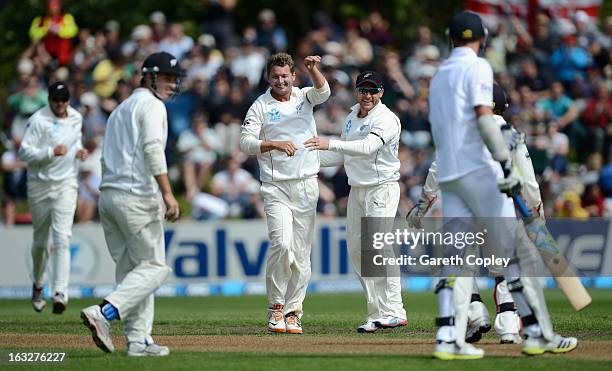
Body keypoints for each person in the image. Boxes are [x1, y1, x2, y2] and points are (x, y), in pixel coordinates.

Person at [426, 11, 577, 360]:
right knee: (516, 257)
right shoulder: (478, 67)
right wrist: (506, 162)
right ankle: (537, 333)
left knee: (457, 259)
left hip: (451, 174)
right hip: (481, 173)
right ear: (482, 40)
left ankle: (448, 336)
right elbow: (484, 117)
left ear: (451, 40)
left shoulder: (439, 76)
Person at [408, 84, 530, 345]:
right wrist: (535, 208)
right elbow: (526, 176)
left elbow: (436, 169)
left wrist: (423, 205)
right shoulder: (509, 132)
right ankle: (508, 327)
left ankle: (475, 315)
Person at [80, 52, 182, 356]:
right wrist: (168, 193)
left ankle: (138, 341)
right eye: (165, 77)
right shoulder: (152, 106)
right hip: (137, 196)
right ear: (148, 76)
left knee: (133, 273)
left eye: (173, 78)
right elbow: (153, 149)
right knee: (154, 268)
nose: (171, 83)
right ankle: (105, 313)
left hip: (109, 196)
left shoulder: (121, 109)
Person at [304, 71, 407, 333]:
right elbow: (344, 156)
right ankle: (376, 312)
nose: (367, 95)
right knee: (357, 251)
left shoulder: (386, 119)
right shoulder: (351, 117)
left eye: (373, 90)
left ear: (382, 92)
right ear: (356, 91)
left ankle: (395, 310)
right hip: (358, 189)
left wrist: (329, 144)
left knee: (378, 247)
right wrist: (307, 159)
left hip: (381, 188)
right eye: (363, 90)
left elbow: (366, 147)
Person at [240, 52, 330, 334]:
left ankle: (294, 312)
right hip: (275, 186)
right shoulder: (260, 106)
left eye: (285, 76)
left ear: (293, 77)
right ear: (268, 78)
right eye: (275, 76)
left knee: (302, 254)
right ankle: (276, 306)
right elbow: (245, 143)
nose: (280, 81)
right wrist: (274, 144)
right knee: (282, 245)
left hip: (306, 184)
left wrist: (315, 69)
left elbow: (323, 92)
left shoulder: (304, 96)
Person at [18, 81, 87, 314]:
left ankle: (60, 291)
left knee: (63, 237)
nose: (60, 104)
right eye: (56, 100)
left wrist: (79, 150)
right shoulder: (38, 120)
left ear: (68, 99)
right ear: (49, 100)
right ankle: (38, 285)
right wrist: (50, 152)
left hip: (67, 183)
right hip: (39, 184)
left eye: (64, 100)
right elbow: (24, 151)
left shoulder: (76, 117)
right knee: (40, 242)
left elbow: (75, 140)